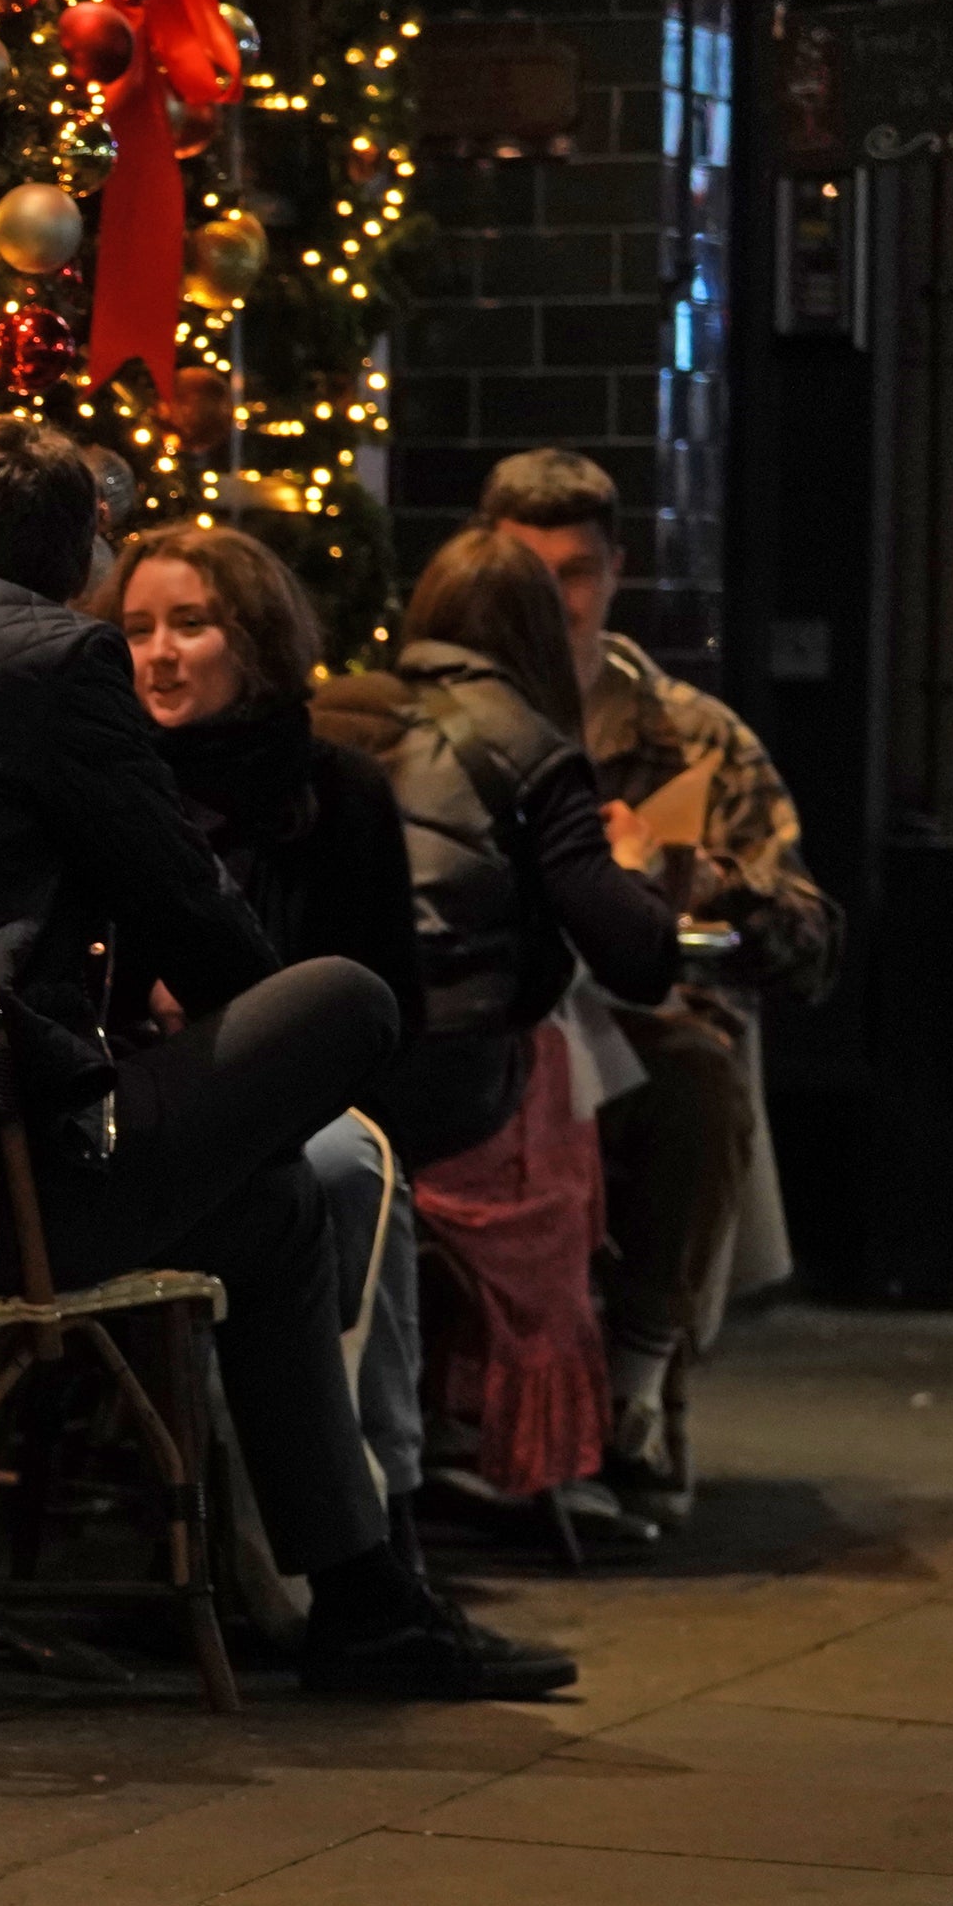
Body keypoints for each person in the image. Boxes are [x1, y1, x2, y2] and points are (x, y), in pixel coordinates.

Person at [0, 415, 570, 1701]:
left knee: (279, 1207)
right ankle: (357, 1589)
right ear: (89, 564)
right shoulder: (60, 657)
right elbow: (188, 904)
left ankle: (362, 1600)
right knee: (347, 1000)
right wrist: (252, 1058)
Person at [480, 448, 840, 1526]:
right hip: (494, 1018)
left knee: (690, 1081)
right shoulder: (452, 717)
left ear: (615, 571)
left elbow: (811, 944)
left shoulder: (688, 737)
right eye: (526, 572)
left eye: (576, 572)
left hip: (639, 1028)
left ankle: (629, 1393)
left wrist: (698, 879)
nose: (554, 599)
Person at [316, 528, 682, 1523]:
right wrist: (639, 868)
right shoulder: (531, 745)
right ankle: (537, 1436)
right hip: (447, 1087)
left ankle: (449, 1419)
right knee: (565, 1071)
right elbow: (634, 957)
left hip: (325, 1067)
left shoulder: (341, 713)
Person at [95, 526, 433, 1579]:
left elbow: (381, 1005)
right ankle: (279, 1553)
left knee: (346, 1168)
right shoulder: (107, 779)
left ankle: (375, 1520)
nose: (157, 654)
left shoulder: (335, 792)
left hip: (301, 1102)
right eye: (136, 628)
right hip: (140, 1105)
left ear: (253, 639)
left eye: (189, 626)